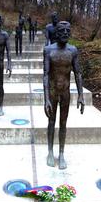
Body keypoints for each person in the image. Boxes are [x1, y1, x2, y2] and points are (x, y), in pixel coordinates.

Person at [43, 21, 85, 169]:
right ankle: (50, 151)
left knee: (63, 123)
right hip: (53, 92)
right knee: (51, 122)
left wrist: (81, 95)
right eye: (62, 30)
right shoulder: (48, 50)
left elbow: (78, 73)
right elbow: (46, 75)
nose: (66, 33)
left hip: (65, 92)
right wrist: (46, 99)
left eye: (68, 30)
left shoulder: (73, 51)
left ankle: (61, 153)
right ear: (57, 33)